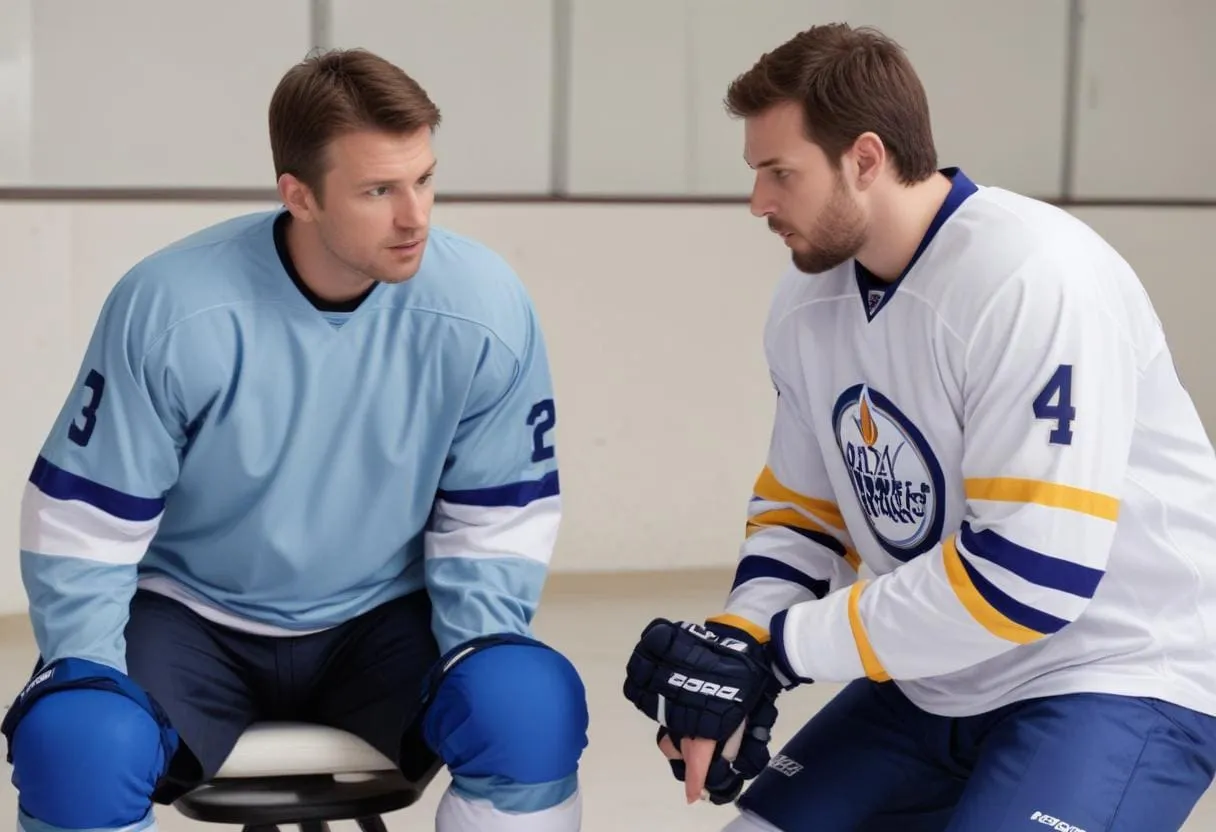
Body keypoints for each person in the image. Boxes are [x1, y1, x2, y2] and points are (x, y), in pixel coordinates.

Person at [623, 22, 1216, 832]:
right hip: (935, 676)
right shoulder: (807, 302)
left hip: (1113, 669)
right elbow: (804, 513)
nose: (759, 201)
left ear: (864, 159)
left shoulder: (1033, 279)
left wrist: (781, 652)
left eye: (779, 173)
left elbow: (1031, 578)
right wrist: (739, 639)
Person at [3, 47, 588, 832]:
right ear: (300, 196)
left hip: (380, 620)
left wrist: (482, 656)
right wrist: (88, 674)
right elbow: (84, 523)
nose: (415, 215)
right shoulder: (174, 307)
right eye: (378, 190)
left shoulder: (482, 307)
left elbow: (495, 519)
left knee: (526, 705)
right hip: (189, 619)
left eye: (423, 179)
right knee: (79, 743)